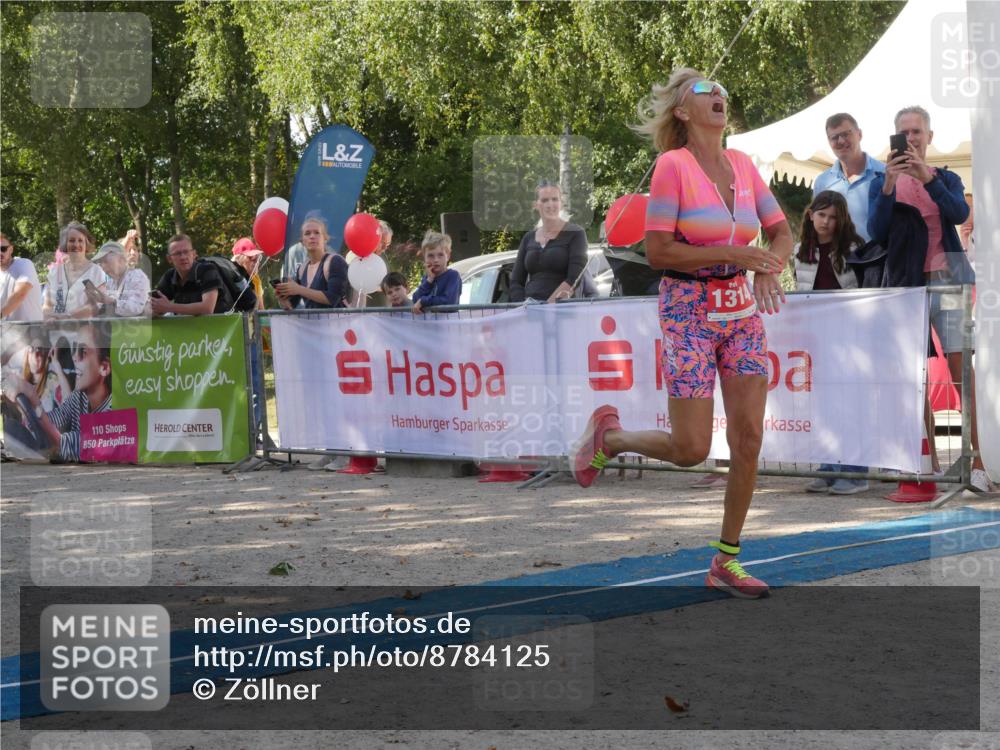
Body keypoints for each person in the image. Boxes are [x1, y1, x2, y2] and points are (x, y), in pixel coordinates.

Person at [572, 69, 792, 599]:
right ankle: (612, 437)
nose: (717, 94)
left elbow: (782, 232)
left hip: (740, 307)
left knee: (749, 439)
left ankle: (727, 561)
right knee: (692, 448)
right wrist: (733, 253)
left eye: (720, 89)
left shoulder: (743, 165)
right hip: (688, 306)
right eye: (703, 91)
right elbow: (659, 252)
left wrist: (767, 267)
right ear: (681, 111)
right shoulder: (672, 167)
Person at [869, 106, 991, 492]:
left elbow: (958, 213)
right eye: (904, 131)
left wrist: (927, 177)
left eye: (917, 131)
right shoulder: (882, 180)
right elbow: (877, 231)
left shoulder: (948, 177)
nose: (911, 138)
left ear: (929, 136)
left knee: (961, 372)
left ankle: (982, 463)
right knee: (913, 377)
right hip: (906, 287)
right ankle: (928, 463)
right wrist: (888, 185)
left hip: (950, 281)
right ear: (895, 137)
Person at [793, 191, 869, 495]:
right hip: (817, 338)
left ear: (842, 220)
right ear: (811, 215)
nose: (827, 221)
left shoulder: (853, 249)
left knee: (849, 403)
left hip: (850, 337)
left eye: (833, 216)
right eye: (822, 214)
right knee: (822, 404)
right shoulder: (800, 251)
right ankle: (828, 465)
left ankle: (856, 472)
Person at [9, 320, 112, 462]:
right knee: (13, 428)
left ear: (104, 368)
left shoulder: (113, 409)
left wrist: (33, 400)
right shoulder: (79, 397)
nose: (74, 357)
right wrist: (25, 409)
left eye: (83, 351)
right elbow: (56, 419)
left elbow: (66, 445)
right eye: (74, 349)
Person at [509, 181, 588, 303]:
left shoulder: (576, 233)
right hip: (529, 312)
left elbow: (574, 278)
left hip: (563, 311)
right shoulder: (528, 238)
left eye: (555, 199)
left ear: (561, 203)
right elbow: (516, 281)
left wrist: (547, 307)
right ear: (535, 205)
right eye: (545, 200)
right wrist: (522, 307)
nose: (550, 204)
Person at [813, 113, 885, 242]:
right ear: (829, 142)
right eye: (834, 137)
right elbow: (817, 228)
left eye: (846, 134)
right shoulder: (822, 182)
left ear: (859, 134)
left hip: (878, 260)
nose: (840, 141)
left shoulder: (885, 174)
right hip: (835, 259)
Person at [275, 217, 349, 310]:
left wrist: (298, 289)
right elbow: (292, 305)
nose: (312, 236)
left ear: (325, 238)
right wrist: (283, 300)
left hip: (338, 323)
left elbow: (333, 298)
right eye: (307, 233)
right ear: (302, 241)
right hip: (312, 324)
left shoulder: (335, 262)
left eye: (317, 232)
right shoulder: (302, 269)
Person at [151, 234, 232, 316]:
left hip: (219, 327)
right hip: (188, 328)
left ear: (194, 254)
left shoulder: (207, 270)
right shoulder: (170, 276)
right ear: (169, 259)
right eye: (177, 253)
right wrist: (156, 310)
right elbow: (153, 306)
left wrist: (169, 307)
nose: (183, 257)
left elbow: (207, 309)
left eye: (186, 252)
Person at [42, 222, 108, 320]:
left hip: (83, 331)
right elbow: (47, 305)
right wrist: (48, 318)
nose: (76, 244)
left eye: (80, 240)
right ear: (65, 244)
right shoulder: (55, 272)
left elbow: (94, 306)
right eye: (72, 240)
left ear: (86, 244)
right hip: (55, 331)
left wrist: (68, 317)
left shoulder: (96, 272)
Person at [87, 241, 150, 317]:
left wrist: (111, 301)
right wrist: (94, 302)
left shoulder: (137, 276)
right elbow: (107, 311)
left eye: (105, 261)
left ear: (121, 260)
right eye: (100, 263)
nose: (102, 266)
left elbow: (137, 307)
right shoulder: (111, 282)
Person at [411, 231, 461, 313]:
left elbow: (449, 302)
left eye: (440, 255)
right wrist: (429, 280)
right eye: (430, 256)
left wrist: (424, 301)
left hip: (447, 324)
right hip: (430, 325)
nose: (436, 260)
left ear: (448, 256)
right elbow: (416, 299)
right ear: (425, 257)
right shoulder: (427, 278)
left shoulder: (453, 276)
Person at [0, 233, 43, 321]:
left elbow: (20, 294)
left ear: (11, 249)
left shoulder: (23, 264)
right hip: (8, 333)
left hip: (31, 332)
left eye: (3, 249)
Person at [231, 237, 265, 310]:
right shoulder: (231, 275)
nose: (256, 261)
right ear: (239, 258)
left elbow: (261, 309)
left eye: (258, 257)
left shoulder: (255, 279)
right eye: (251, 257)